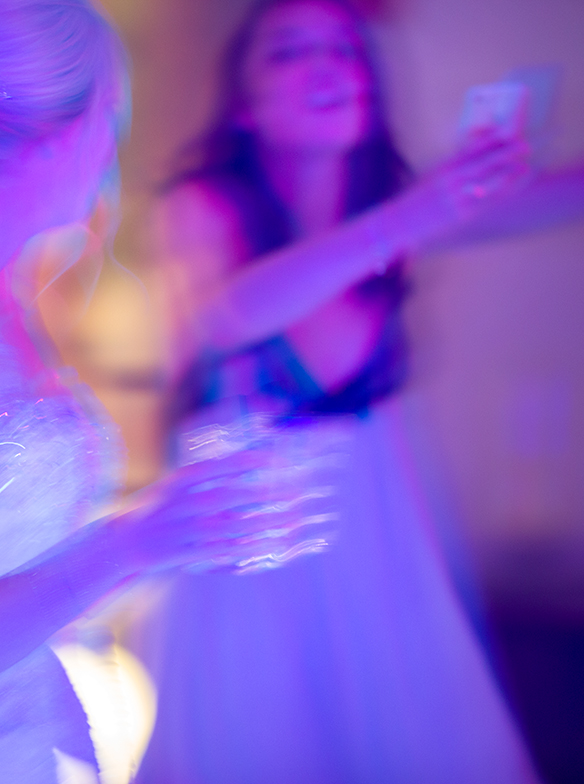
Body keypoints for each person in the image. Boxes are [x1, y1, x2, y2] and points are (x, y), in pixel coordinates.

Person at [0, 1, 320, 781]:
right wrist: (136, 540)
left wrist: (163, 539)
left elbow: (7, 570)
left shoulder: (0, 298)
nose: (111, 156)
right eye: (111, 122)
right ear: (57, 140)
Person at [137, 0, 584, 781]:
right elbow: (230, 312)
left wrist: (447, 199)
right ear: (245, 104)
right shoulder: (203, 208)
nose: (327, 67)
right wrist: (417, 215)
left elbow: (559, 195)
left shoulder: (395, 217)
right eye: (289, 52)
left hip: (382, 563)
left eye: (343, 51)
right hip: (257, 579)